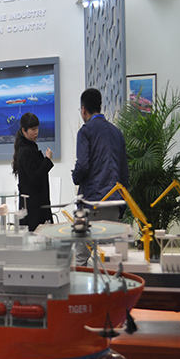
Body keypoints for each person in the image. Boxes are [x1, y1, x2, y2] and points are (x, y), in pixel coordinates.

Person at [72, 87, 129, 266]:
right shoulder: (117, 133)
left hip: (91, 203)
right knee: (107, 258)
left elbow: (83, 165)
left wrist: (75, 177)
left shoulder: (85, 131)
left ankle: (82, 285)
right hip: (113, 203)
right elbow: (124, 174)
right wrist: (121, 207)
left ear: (83, 109)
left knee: (81, 257)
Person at [11, 112, 54, 231]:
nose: (36, 132)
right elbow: (35, 178)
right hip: (33, 208)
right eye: (33, 129)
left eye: (37, 128)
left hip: (36, 204)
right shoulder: (26, 151)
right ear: (24, 131)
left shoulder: (29, 148)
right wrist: (47, 160)